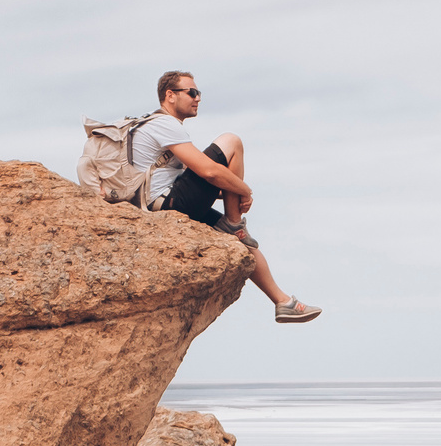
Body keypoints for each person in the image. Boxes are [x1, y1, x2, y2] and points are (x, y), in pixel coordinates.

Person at [129, 71, 321, 323]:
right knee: (232, 141)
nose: (198, 98)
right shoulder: (164, 124)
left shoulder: (153, 126)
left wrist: (230, 190)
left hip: (165, 202)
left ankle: (282, 301)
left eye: (199, 93)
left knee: (241, 244)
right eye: (192, 92)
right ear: (170, 95)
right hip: (166, 205)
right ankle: (234, 223)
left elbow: (202, 180)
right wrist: (244, 189)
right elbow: (208, 171)